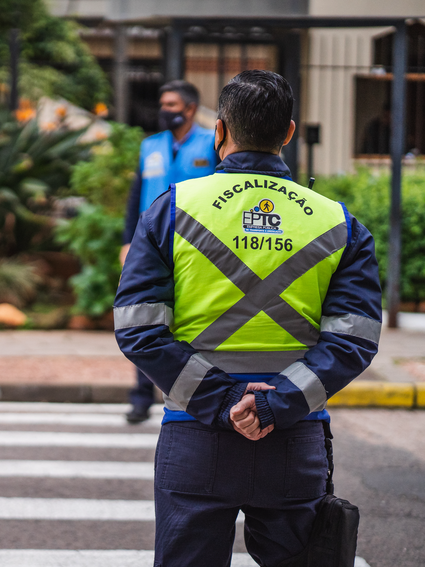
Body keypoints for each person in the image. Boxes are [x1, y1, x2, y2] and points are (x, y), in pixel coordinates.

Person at [114, 70, 382, 566]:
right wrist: (272, 406)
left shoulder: (172, 210)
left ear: (219, 132)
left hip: (196, 431)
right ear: (289, 133)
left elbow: (138, 328)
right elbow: (355, 341)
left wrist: (226, 400)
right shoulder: (337, 222)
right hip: (294, 435)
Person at [120, 80, 218, 424]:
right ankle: (140, 397)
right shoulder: (151, 146)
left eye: (172, 105)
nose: (165, 111)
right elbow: (136, 196)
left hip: (197, 248)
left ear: (190, 109)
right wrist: (126, 241)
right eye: (163, 104)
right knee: (145, 319)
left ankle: (182, 394)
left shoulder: (211, 143)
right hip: (151, 246)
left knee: (187, 322)